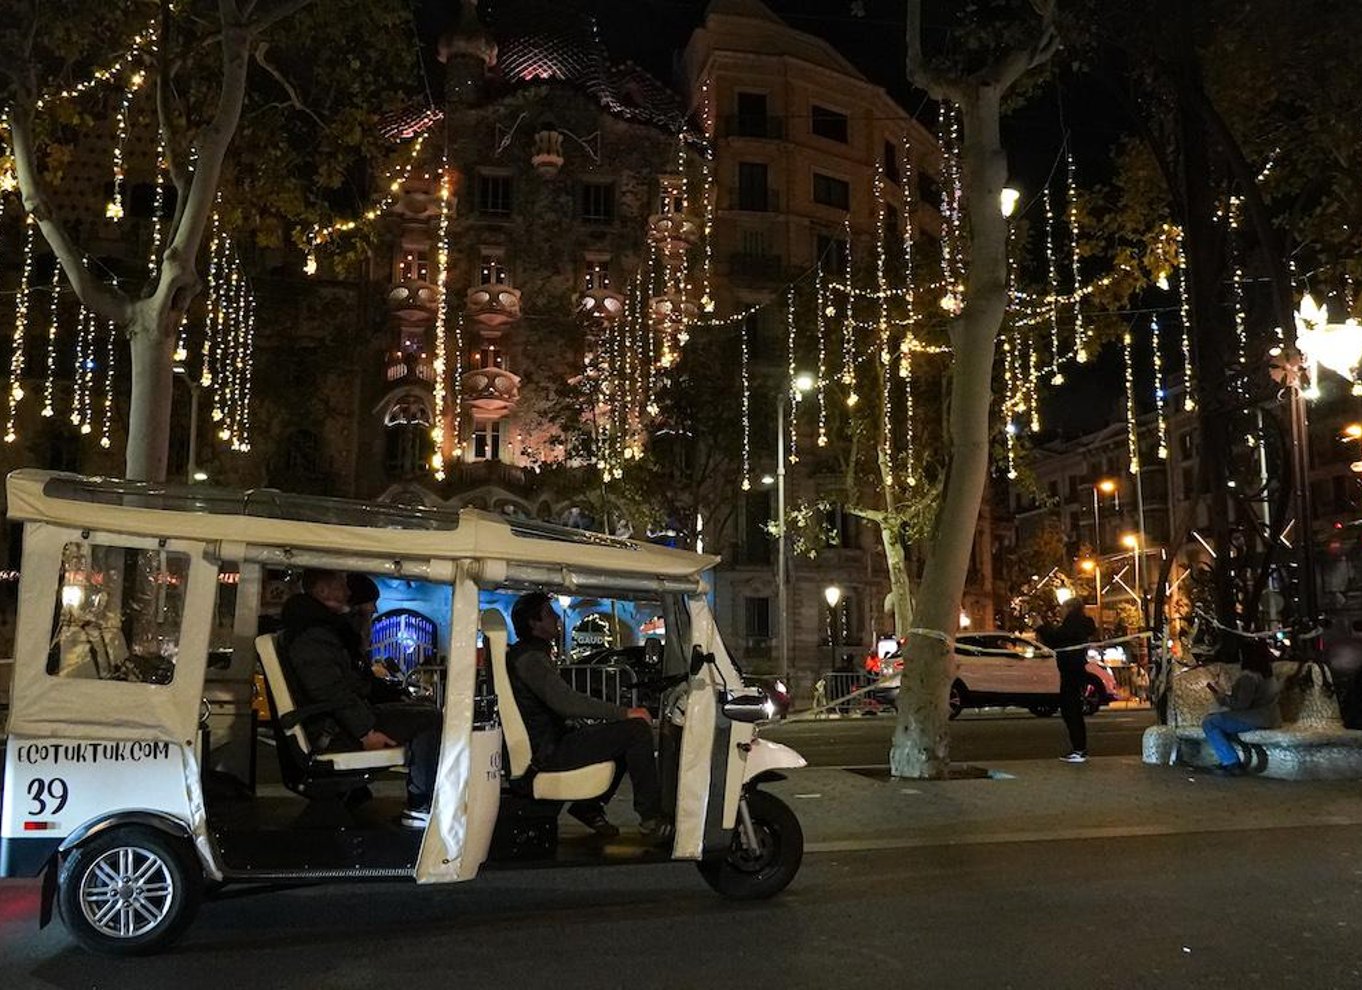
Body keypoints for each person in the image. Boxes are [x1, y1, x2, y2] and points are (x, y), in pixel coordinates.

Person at [280, 569, 442, 828]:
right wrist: (366, 732)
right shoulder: (314, 634)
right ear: (322, 591)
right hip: (332, 731)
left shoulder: (317, 628)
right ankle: (420, 807)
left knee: (423, 711)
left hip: (335, 722)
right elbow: (330, 690)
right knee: (430, 719)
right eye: (342, 584)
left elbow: (346, 683)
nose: (348, 591)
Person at [507, 591, 668, 840]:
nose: (556, 618)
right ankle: (650, 818)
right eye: (548, 614)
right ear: (534, 623)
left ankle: (589, 807)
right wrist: (625, 712)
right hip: (547, 751)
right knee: (636, 731)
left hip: (548, 743)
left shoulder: (529, 654)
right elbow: (566, 702)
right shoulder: (531, 659)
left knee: (620, 732)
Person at [1201, 642, 1281, 776]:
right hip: (1271, 718)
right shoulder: (1268, 674)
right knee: (1216, 720)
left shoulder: (1248, 677)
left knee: (1209, 722)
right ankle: (1234, 757)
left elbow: (1241, 705)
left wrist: (1221, 697)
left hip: (1255, 719)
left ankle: (1230, 762)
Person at [1037, 597, 1097, 763]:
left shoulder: (1073, 623)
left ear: (1070, 608)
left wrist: (1041, 627)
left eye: (1063, 608)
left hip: (1071, 669)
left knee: (1070, 708)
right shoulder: (1078, 624)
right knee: (1071, 708)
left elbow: (1056, 639)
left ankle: (1079, 749)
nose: (1060, 611)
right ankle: (1079, 748)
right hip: (1072, 668)